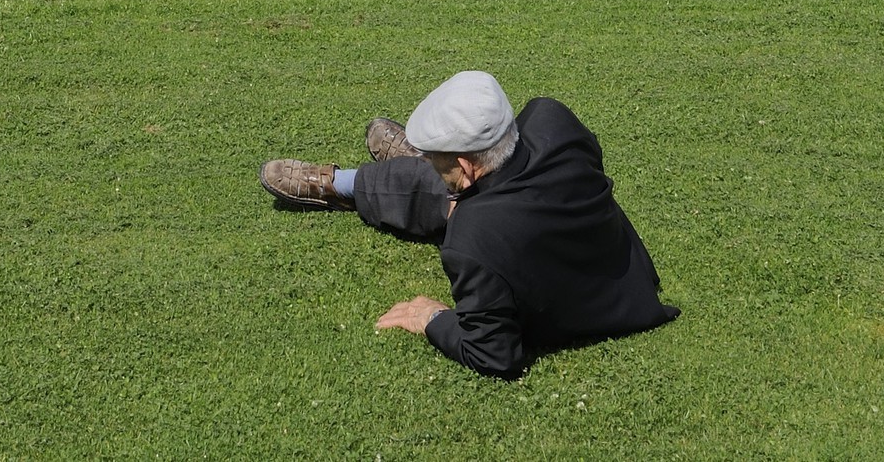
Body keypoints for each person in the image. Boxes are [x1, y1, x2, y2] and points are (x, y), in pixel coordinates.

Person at [259, 70, 677, 380]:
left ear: (464, 164)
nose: (429, 161)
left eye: (433, 155)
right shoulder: (553, 120)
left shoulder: (472, 240)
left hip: (578, 304)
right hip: (628, 281)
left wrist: (432, 317)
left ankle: (342, 186)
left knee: (431, 188)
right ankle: (394, 173)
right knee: (451, 182)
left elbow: (495, 354)